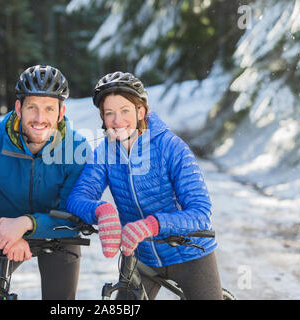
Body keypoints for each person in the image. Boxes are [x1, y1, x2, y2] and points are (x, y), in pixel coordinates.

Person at [66, 71, 223, 300]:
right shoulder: (105, 153)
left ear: (141, 111)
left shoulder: (171, 147)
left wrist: (152, 225)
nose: (117, 121)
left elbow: (201, 213)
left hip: (189, 253)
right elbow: (78, 197)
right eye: (109, 113)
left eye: (125, 111)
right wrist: (101, 210)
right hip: (140, 257)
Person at [0, 65, 89, 300]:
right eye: (32, 107)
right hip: (2, 233)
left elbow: (74, 214)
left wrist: (26, 223)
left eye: (49, 109)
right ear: (19, 108)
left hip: (59, 234)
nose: (40, 119)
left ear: (61, 113)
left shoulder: (77, 148)